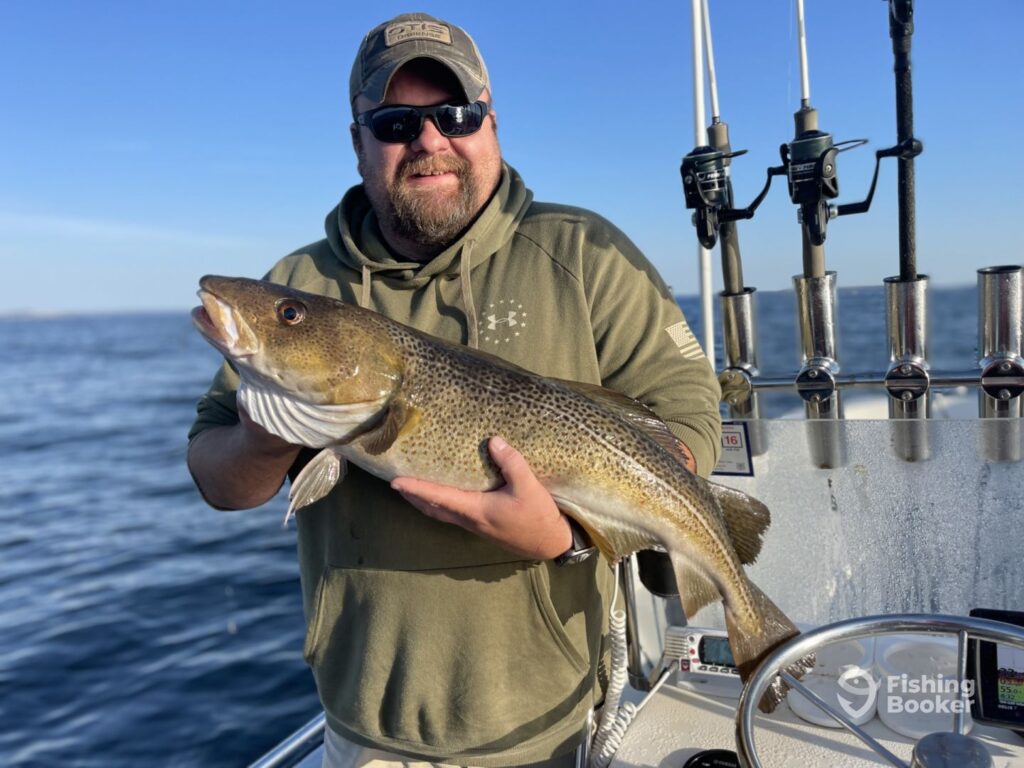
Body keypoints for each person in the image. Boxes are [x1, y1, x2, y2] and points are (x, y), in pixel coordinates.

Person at [188, 12, 722, 768]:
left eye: (455, 114)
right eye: (397, 121)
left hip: (545, 722)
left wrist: (568, 540)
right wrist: (265, 434)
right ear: (358, 141)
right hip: (363, 729)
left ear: (490, 123)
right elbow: (217, 477)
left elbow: (690, 415)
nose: (430, 140)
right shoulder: (301, 283)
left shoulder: (585, 254)